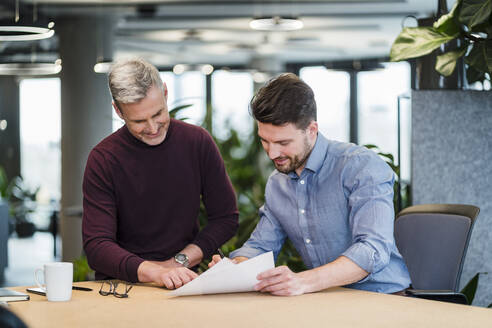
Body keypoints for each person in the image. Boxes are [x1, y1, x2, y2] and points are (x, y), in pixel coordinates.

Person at [210, 73, 411, 296]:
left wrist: (303, 281)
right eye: (265, 141)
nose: (272, 153)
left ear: (312, 130)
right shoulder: (278, 184)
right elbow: (261, 245)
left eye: (283, 142)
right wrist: (236, 266)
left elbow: (373, 249)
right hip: (326, 300)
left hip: (384, 299)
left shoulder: (360, 167)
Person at [82, 58, 238, 289]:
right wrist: (154, 271)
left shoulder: (197, 142)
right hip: (122, 286)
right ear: (118, 110)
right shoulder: (103, 159)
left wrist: (178, 262)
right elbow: (97, 245)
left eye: (158, 114)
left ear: (165, 92)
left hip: (185, 280)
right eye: (139, 121)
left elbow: (225, 218)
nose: (153, 128)